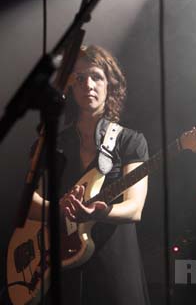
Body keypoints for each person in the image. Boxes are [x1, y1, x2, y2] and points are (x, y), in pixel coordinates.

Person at [28, 44, 150, 305]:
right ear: (70, 87)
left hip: (114, 266)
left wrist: (99, 212)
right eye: (80, 78)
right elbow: (28, 203)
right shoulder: (51, 142)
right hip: (62, 264)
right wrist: (59, 208)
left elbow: (135, 208)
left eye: (96, 76)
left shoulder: (130, 141)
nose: (88, 85)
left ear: (110, 84)